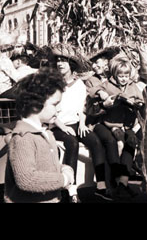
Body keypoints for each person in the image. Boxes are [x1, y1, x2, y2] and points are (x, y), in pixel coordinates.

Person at [49, 44, 112, 202]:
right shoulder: (52, 85)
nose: (60, 63)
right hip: (58, 125)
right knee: (72, 143)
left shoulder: (79, 85)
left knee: (95, 142)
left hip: (77, 123)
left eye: (64, 60)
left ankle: (101, 187)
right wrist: (63, 127)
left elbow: (82, 108)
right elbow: (50, 112)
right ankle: (71, 190)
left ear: (70, 65)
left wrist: (83, 124)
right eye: (58, 60)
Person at [4, 71, 75, 203]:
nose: (58, 109)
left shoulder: (46, 134)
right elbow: (27, 179)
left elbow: (46, 168)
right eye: (55, 104)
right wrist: (63, 179)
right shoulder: (23, 138)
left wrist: (63, 168)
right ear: (36, 105)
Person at [92, 54, 143, 200]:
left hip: (127, 124)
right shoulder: (108, 84)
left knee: (130, 144)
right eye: (120, 75)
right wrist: (102, 93)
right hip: (111, 124)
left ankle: (124, 183)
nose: (124, 78)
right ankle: (114, 181)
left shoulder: (133, 86)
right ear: (115, 74)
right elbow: (93, 91)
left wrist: (137, 103)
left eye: (126, 75)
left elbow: (140, 99)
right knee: (114, 144)